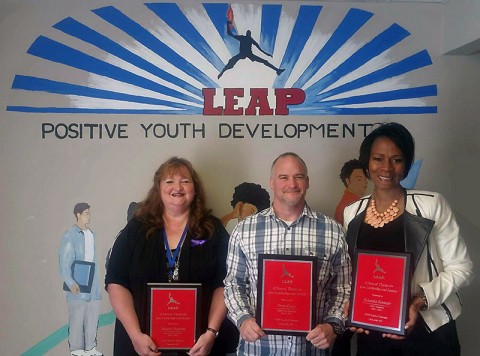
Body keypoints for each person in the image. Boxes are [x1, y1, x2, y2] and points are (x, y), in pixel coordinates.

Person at [343, 122, 474, 356]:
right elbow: (356, 273)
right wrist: (353, 303)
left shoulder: (431, 205)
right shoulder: (352, 212)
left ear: (406, 164)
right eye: (378, 158)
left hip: (429, 330)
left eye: (396, 159)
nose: (386, 168)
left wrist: (418, 301)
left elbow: (462, 268)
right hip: (373, 332)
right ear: (367, 161)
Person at [105, 157, 238, 356]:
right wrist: (134, 335)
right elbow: (116, 281)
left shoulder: (212, 230)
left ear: (195, 188)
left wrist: (211, 332)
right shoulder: (137, 228)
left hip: (199, 346)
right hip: (142, 344)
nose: (178, 187)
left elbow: (225, 282)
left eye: (185, 181)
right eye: (169, 181)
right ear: (158, 188)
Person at [224, 152, 351, 355]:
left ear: (307, 182)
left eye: (298, 176)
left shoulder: (332, 231)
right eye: (283, 177)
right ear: (272, 183)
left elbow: (343, 288)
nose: (291, 183)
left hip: (311, 350)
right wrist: (242, 319)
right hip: (258, 349)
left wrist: (333, 325)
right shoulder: (244, 230)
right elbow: (233, 283)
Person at [58, 203, 103, 356]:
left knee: (92, 314)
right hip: (77, 280)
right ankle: (76, 349)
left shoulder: (92, 234)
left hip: (93, 282)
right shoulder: (70, 235)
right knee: (77, 316)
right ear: (78, 215)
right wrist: (71, 282)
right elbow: (65, 261)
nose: (89, 216)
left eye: (89, 213)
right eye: (86, 213)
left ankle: (90, 347)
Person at [218, 21, 285, 79]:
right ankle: (222, 72)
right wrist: (228, 24)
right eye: (248, 33)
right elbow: (230, 34)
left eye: (249, 33)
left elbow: (259, 48)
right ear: (247, 34)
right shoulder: (243, 37)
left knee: (264, 61)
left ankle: (277, 70)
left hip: (249, 54)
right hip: (242, 54)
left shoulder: (250, 39)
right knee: (231, 61)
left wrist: (267, 54)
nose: (249, 34)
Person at [334, 159, 368, 225]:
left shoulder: (357, 201)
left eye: (365, 178)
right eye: (359, 179)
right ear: (348, 181)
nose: (365, 182)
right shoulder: (349, 205)